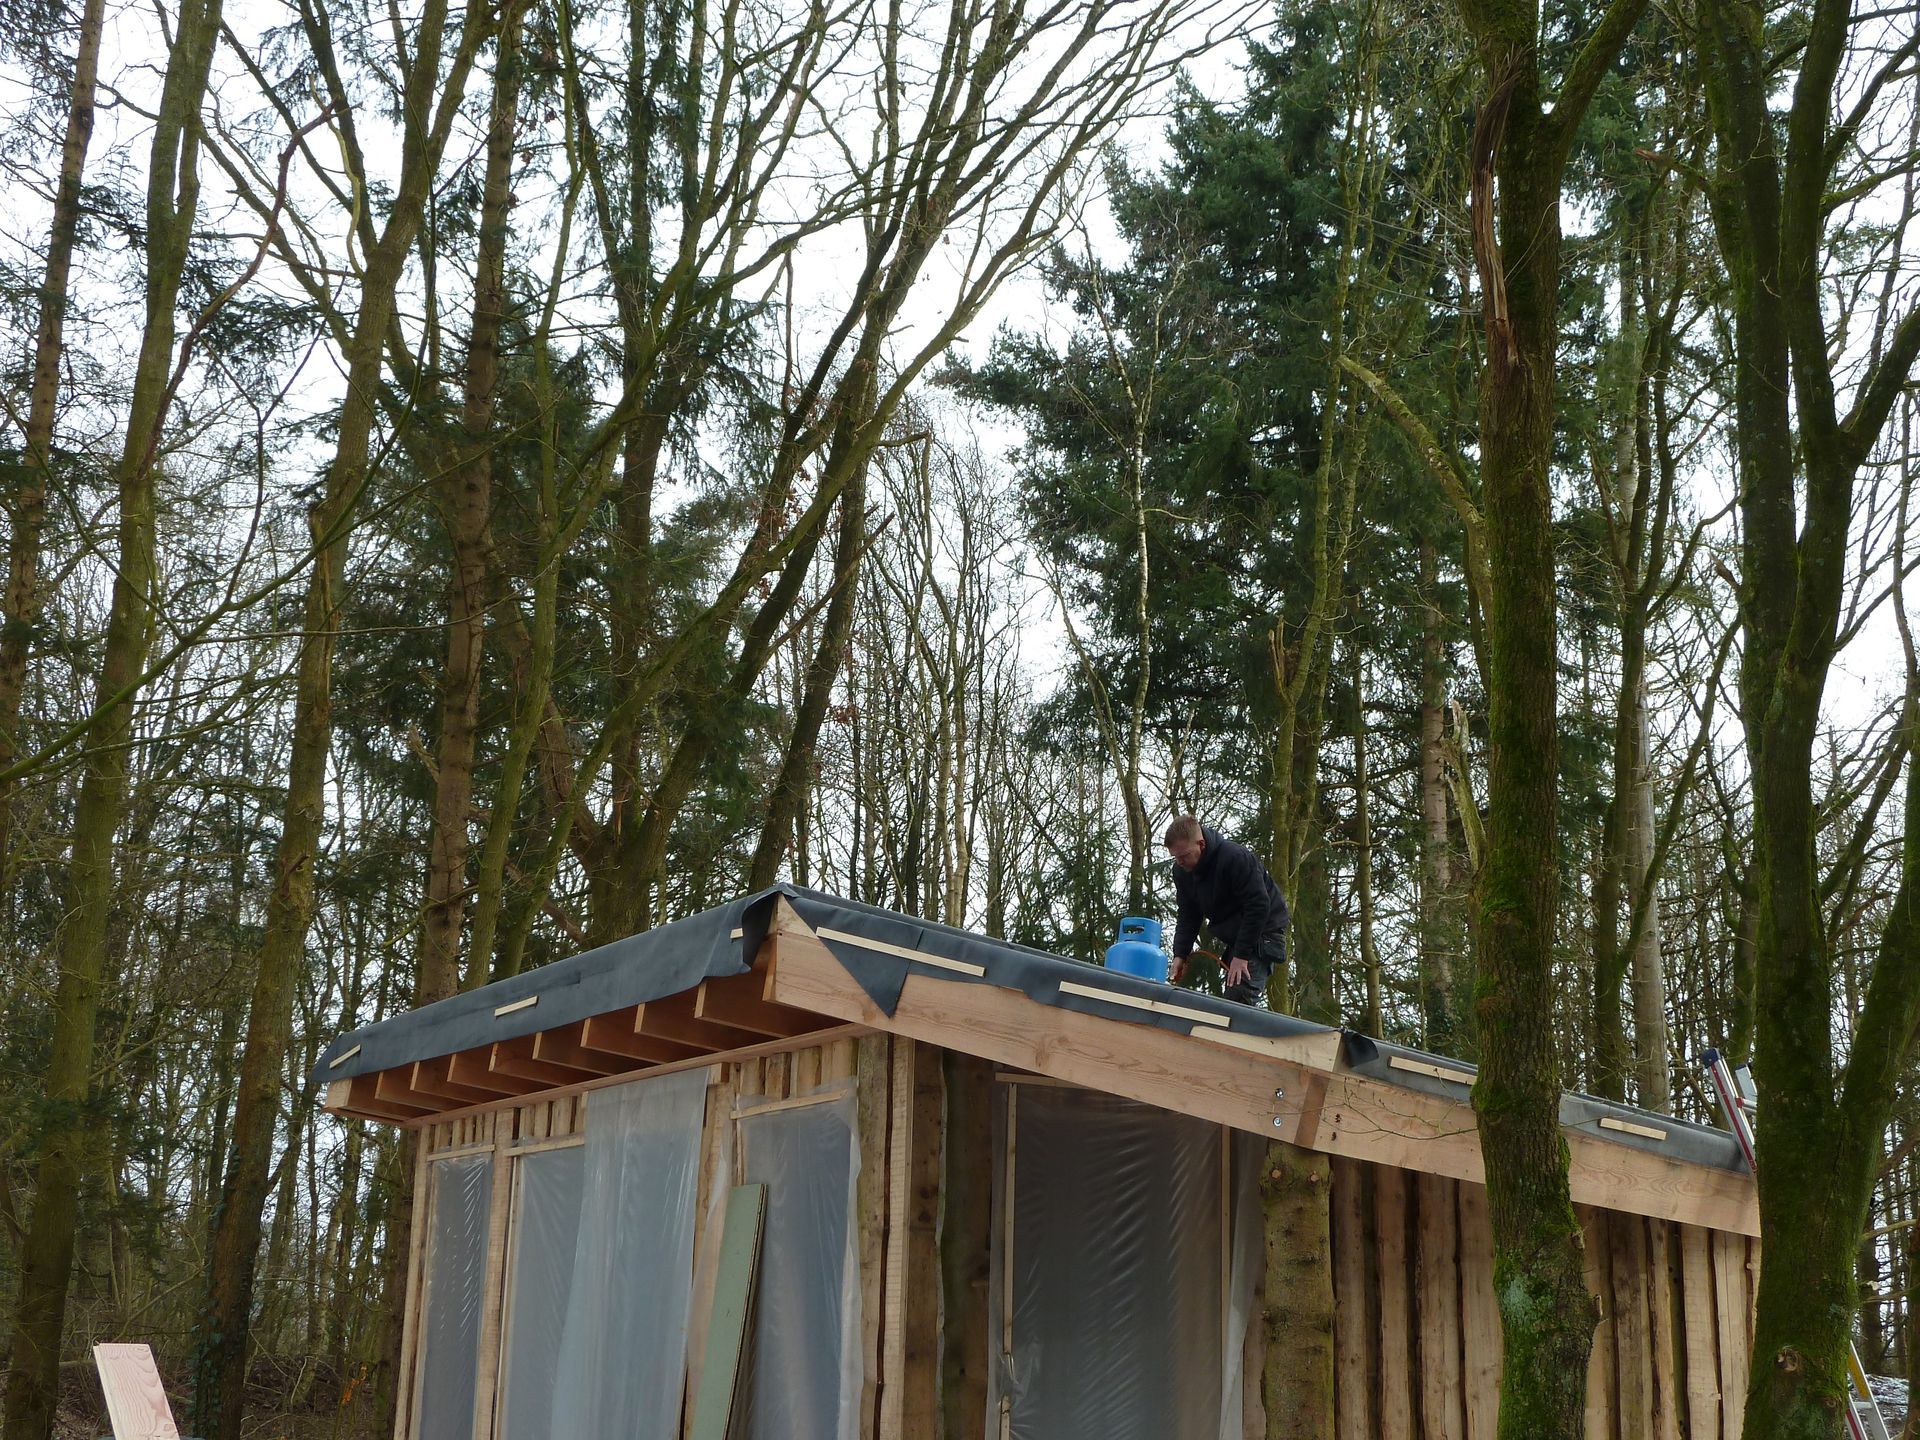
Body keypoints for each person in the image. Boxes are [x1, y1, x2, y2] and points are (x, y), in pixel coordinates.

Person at [1163, 815, 1289, 1007]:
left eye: (1184, 856)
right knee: (1230, 999)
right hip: (1237, 937)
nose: (1179, 862)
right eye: (1175, 857)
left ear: (1201, 844)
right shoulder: (1182, 872)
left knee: (1239, 999)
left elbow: (1258, 905)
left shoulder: (1234, 858)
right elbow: (1188, 915)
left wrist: (1241, 956)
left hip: (1264, 933)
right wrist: (1180, 954)